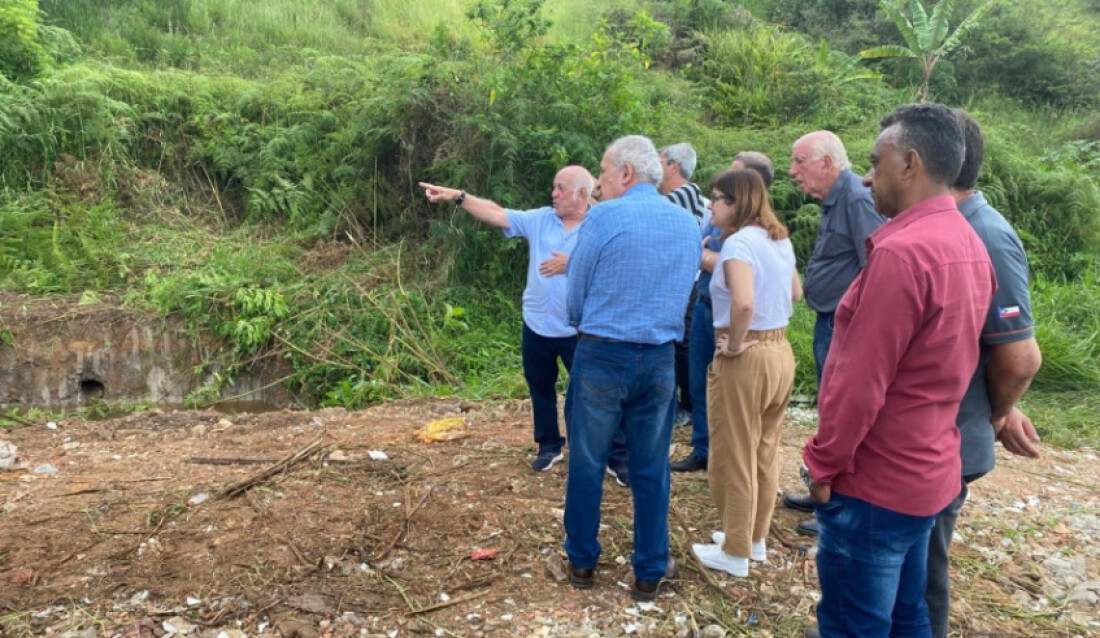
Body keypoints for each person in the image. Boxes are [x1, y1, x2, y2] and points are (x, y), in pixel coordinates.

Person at [802, 103, 996, 638]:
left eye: (875, 161)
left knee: (853, 624)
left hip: (876, 481)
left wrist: (822, 463)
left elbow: (858, 385)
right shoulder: (967, 243)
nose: (866, 176)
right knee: (909, 614)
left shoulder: (901, 254)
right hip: (929, 470)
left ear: (910, 163)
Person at [563, 135, 701, 601]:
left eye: (602, 173)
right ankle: (649, 569)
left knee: (587, 460)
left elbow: (577, 290)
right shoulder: (687, 223)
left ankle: (581, 561)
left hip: (603, 353)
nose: (598, 184)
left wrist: (583, 324)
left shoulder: (603, 217)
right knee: (650, 465)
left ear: (625, 173)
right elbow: (686, 290)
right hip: (660, 357)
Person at [418, 168, 627, 475]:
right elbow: (498, 214)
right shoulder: (541, 218)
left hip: (582, 329)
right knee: (540, 387)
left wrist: (573, 263)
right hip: (538, 323)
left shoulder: (603, 224)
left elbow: (618, 266)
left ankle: (616, 454)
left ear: (582, 194)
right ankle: (549, 446)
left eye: (560, 188)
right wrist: (458, 197)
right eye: (553, 187)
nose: (553, 194)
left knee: (597, 391)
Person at [924, 111, 1043, 638]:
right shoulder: (950, 228)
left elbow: (1019, 357)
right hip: (940, 432)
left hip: (948, 439)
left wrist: (994, 413)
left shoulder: (987, 236)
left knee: (924, 572)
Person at [688, 169, 801, 578]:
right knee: (764, 449)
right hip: (780, 350)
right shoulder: (779, 238)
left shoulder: (737, 245)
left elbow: (744, 304)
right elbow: (795, 292)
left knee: (733, 452)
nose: (712, 205)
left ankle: (735, 552)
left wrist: (734, 345)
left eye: (717, 198)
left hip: (746, 354)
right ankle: (754, 538)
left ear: (736, 203)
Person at [783, 132, 886, 535]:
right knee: (830, 407)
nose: (793, 171)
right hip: (831, 321)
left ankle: (839, 504)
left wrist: (857, 328)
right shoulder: (835, 199)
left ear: (827, 162)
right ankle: (824, 489)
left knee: (842, 411)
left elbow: (876, 265)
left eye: (800, 162)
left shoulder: (857, 198)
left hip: (847, 327)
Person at [672, 151, 776, 474]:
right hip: (704, 307)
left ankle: (727, 456)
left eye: (726, 190)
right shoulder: (721, 222)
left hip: (730, 317)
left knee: (728, 389)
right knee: (702, 382)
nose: (716, 198)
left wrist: (698, 253)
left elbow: (733, 271)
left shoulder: (755, 233)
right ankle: (703, 448)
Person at [658, 143, 707, 430]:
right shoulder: (686, 195)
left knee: (682, 344)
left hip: (685, 285)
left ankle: (687, 406)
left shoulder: (684, 195)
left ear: (674, 166)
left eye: (659, 161)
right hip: (680, 283)